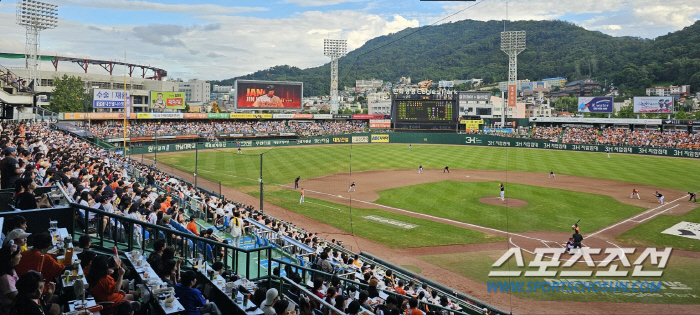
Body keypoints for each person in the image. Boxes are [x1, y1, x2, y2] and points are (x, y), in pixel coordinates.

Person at [0, 243, 22, 314]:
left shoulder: (11, 270)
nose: (21, 256)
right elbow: (18, 299)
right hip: (12, 310)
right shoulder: (6, 278)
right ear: (11, 258)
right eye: (18, 254)